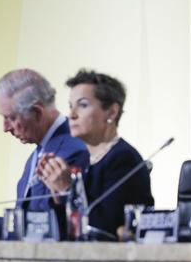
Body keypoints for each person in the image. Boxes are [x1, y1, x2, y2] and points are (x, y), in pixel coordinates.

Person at [38, 69, 153, 239]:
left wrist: (68, 190)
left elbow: (106, 230)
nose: (72, 115)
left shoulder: (123, 159)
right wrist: (57, 193)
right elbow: (64, 232)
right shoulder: (82, 160)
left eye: (82, 105)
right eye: (71, 106)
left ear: (111, 112)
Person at [0, 69, 90, 220]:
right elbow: (25, 223)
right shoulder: (38, 153)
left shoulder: (74, 150)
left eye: (11, 118)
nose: (5, 128)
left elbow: (57, 224)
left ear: (37, 112)